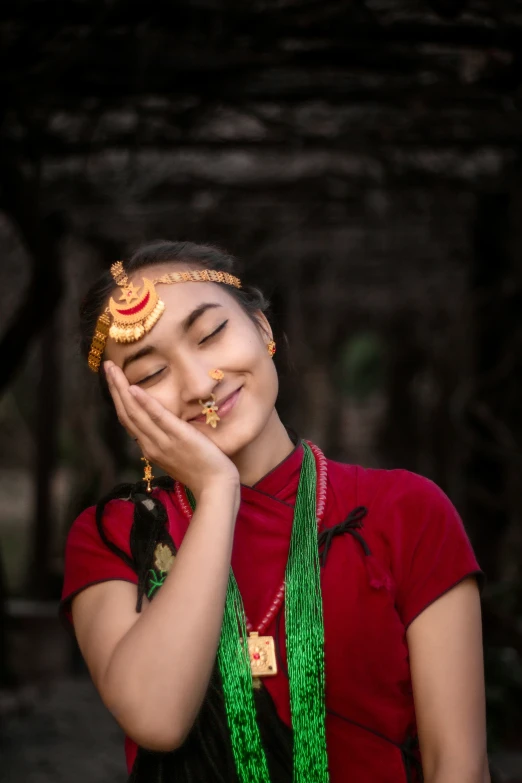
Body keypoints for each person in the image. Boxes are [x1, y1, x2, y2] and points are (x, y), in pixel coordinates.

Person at [61, 240, 489, 783]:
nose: (199, 386)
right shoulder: (114, 535)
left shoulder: (408, 511)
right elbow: (156, 718)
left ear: (263, 331)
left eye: (211, 334)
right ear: (127, 411)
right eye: (149, 376)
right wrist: (217, 489)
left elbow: (459, 766)